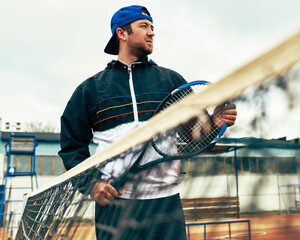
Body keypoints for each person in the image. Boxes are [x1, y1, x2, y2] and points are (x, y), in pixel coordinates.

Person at [59, 5, 237, 240]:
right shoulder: (90, 89)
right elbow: (72, 147)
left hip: (165, 204)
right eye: (144, 26)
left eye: (153, 27)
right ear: (122, 33)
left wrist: (213, 124)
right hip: (114, 207)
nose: (152, 32)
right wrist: (91, 185)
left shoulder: (171, 81)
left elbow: (196, 136)